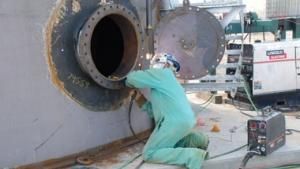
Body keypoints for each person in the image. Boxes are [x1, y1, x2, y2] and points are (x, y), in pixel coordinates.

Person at [125, 53, 209, 169]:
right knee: (170, 144)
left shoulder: (162, 74)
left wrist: (124, 80)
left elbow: (131, 78)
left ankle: (192, 156)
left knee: (150, 153)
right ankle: (198, 140)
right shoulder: (171, 81)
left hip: (173, 123)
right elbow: (155, 111)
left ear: (163, 63)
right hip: (186, 122)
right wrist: (139, 98)